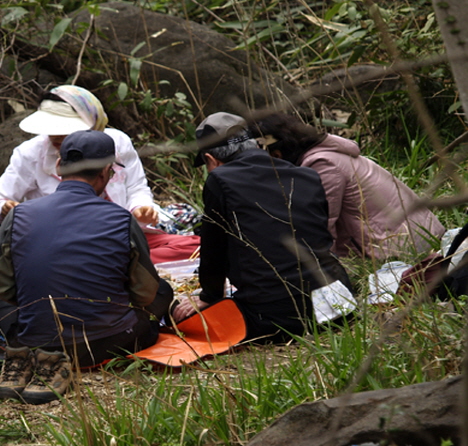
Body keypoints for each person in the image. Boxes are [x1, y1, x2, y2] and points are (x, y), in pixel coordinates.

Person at [0, 130, 174, 404]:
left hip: (36, 337)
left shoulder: (18, 214)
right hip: (102, 344)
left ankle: (29, 355)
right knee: (162, 292)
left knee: (1, 309)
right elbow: (145, 294)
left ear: (60, 167)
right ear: (106, 173)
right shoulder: (121, 219)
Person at [172, 112, 351, 343]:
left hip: (275, 316)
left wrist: (210, 295)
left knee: (182, 317)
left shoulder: (220, 181)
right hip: (338, 305)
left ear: (211, 159)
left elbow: (213, 248)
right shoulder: (306, 175)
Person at [0, 84, 199, 263]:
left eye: (65, 129)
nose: (56, 135)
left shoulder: (117, 143)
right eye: (52, 129)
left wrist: (141, 208)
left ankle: (125, 263)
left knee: (194, 246)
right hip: (65, 243)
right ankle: (128, 265)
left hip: (120, 236)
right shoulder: (31, 153)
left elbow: (136, 187)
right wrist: (4, 207)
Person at [253, 113, 444, 260]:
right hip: (419, 236)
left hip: (405, 249)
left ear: (277, 154)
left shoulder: (323, 165)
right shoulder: (326, 155)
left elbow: (320, 227)